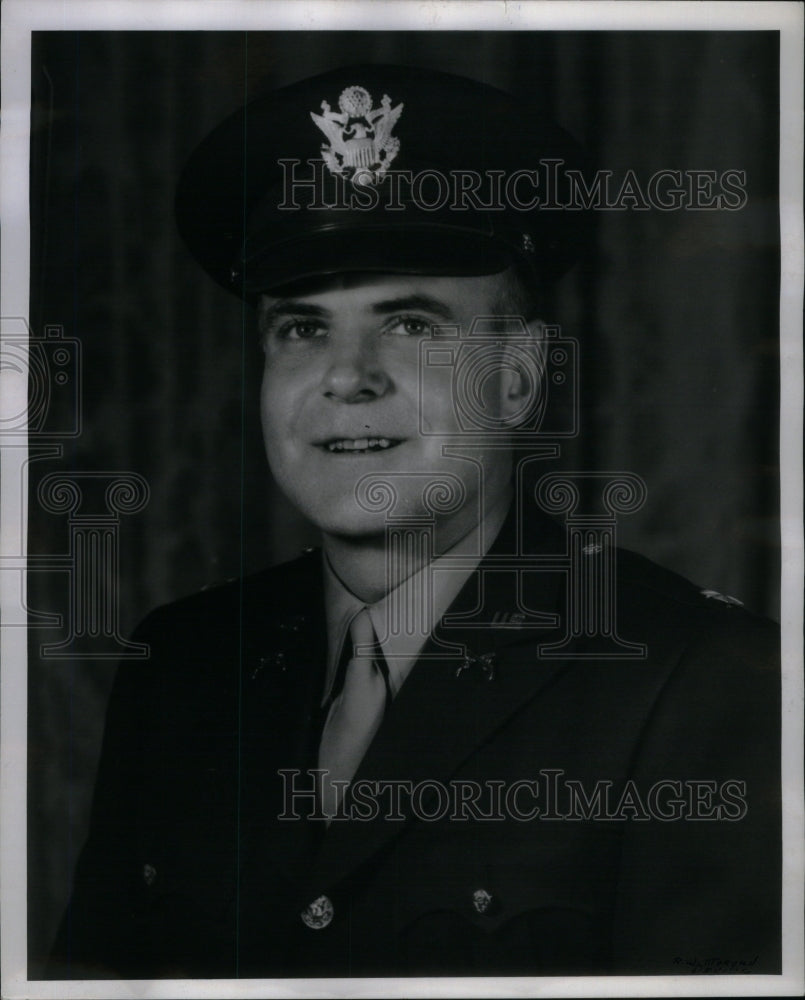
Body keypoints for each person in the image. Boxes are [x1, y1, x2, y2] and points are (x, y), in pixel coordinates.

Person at [48, 64, 780, 979]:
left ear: (517, 378)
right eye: (302, 328)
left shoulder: (704, 680)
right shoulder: (185, 664)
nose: (346, 376)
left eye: (410, 324)